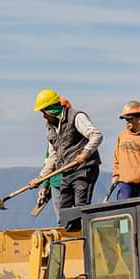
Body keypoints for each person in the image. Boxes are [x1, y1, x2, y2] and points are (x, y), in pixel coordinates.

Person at [32, 88, 102, 231]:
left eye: (44, 112)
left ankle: (83, 239)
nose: (43, 116)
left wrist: (85, 153)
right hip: (67, 171)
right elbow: (53, 157)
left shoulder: (76, 117)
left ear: (51, 109)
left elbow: (96, 135)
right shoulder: (51, 128)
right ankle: (68, 239)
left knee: (80, 206)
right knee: (65, 210)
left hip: (84, 168)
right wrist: (40, 178)